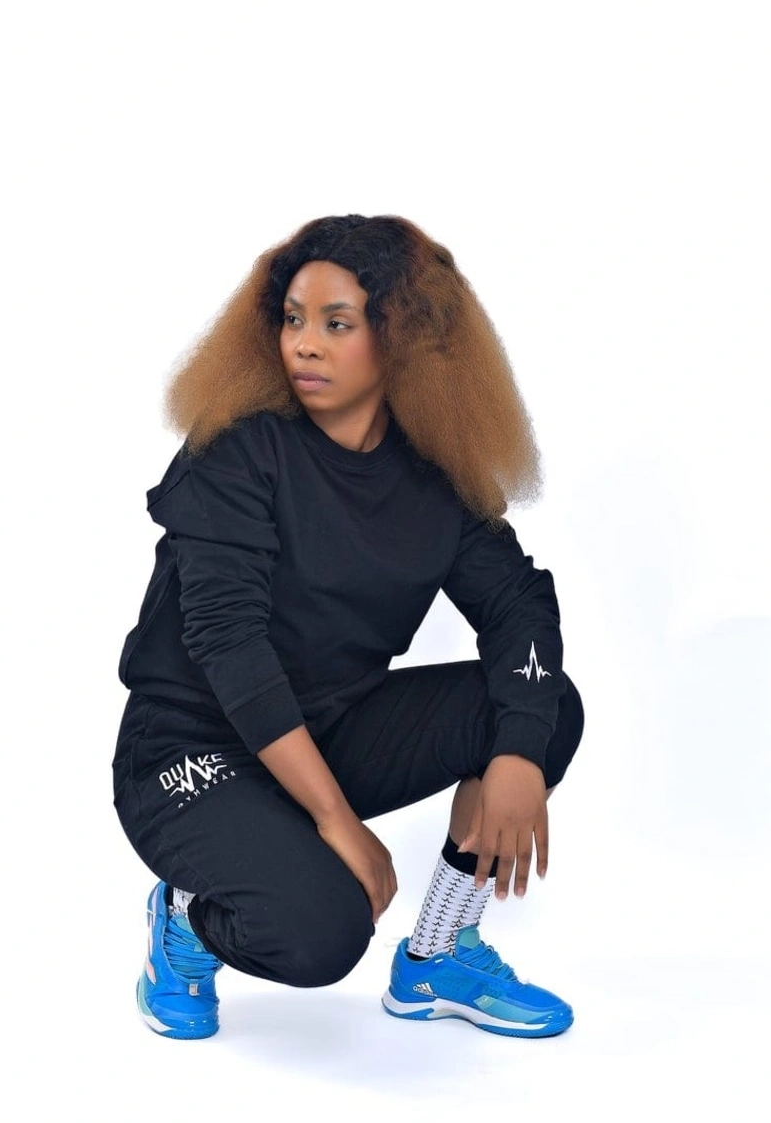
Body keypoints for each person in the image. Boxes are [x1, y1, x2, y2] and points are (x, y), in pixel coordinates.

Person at [111, 213, 585, 1040]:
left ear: (403, 337)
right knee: (320, 934)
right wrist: (337, 823)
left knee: (541, 709)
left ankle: (440, 951)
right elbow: (230, 646)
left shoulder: (434, 474)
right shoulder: (237, 450)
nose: (304, 344)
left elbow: (518, 606)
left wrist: (518, 751)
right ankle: (184, 919)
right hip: (190, 750)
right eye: (294, 319)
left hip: (327, 726)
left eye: (337, 324)